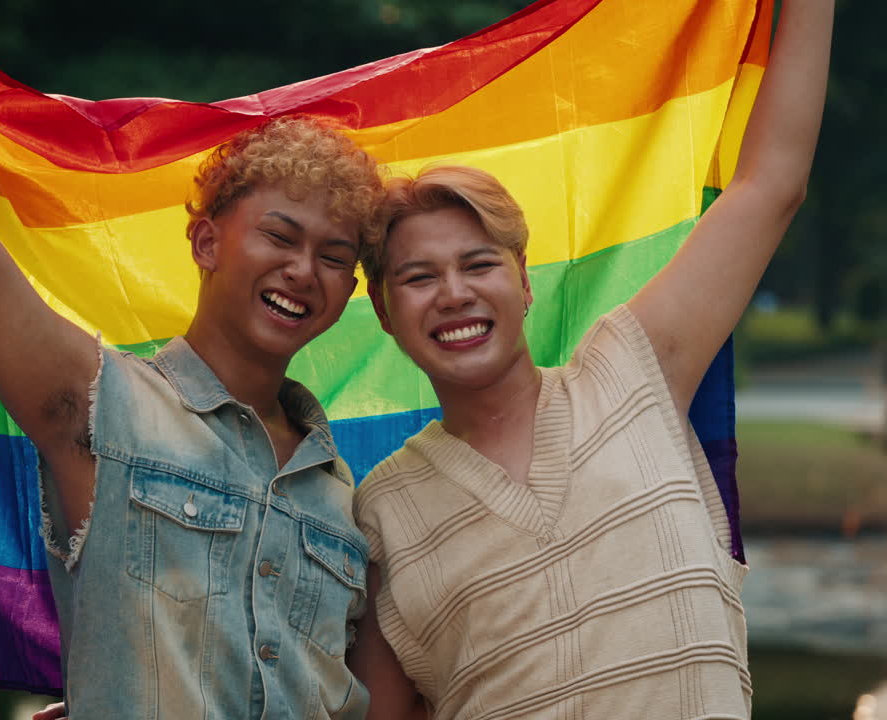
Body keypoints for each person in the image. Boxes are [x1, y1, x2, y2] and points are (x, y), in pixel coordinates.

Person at [0, 1, 385, 718]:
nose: (303, 270)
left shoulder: (344, 499)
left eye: (333, 256)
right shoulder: (101, 405)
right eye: (280, 237)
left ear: (349, 291)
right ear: (207, 242)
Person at [346, 1, 833, 717]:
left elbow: (770, 186)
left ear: (523, 282)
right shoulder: (380, 513)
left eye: (478, 264)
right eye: (419, 278)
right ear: (385, 313)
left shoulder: (631, 370)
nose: (453, 294)